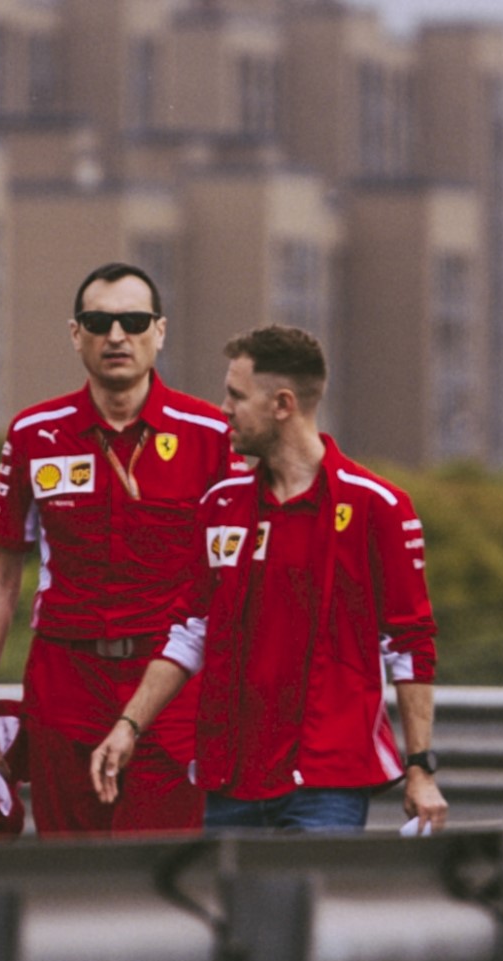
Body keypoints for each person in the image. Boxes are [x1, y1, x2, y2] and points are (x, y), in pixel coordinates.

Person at [90, 324, 449, 833]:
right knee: (230, 915)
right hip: (226, 782)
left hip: (326, 786)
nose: (223, 409)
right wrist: (128, 727)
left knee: (305, 912)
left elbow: (410, 644)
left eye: (236, 396)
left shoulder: (378, 507)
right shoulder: (219, 505)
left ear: (282, 404)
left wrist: (421, 767)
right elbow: (189, 630)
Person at [0, 262, 239, 835]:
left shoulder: (211, 435)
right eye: (98, 321)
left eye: (133, 321)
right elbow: (0, 576)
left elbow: (235, 583)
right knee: (71, 868)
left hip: (173, 686)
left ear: (160, 331)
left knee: (163, 860)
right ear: (75, 333)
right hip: (65, 682)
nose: (116, 336)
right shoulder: (35, 434)